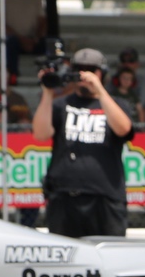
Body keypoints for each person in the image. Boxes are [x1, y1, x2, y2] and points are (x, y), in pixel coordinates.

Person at [33, 47, 134, 238]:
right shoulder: (60, 105)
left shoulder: (117, 105)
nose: (85, 74)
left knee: (109, 256)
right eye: (79, 69)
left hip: (106, 197)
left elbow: (124, 129)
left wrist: (100, 91)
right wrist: (48, 93)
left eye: (91, 69)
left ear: (102, 73)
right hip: (65, 198)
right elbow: (40, 133)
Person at [0, 0, 45, 80]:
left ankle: (47, 76)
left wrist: (35, 39)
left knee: (51, 43)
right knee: (10, 42)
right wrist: (21, 40)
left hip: (31, 41)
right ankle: (12, 76)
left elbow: (42, 21)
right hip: (7, 40)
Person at [115, 46, 145, 123]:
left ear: (137, 64)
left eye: (131, 61)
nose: (127, 64)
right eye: (124, 61)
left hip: (136, 124)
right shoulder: (111, 82)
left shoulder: (144, 82)